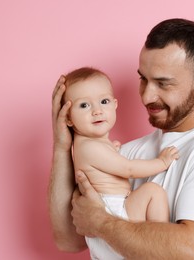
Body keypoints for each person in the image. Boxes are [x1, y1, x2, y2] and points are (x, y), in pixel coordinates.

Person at [49, 18, 194, 259]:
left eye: (163, 83)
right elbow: (69, 239)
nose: (147, 95)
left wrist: (101, 222)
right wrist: (62, 147)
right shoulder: (125, 152)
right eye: (143, 79)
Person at [60, 66, 179, 259]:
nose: (97, 111)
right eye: (84, 105)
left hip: (109, 211)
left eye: (104, 101)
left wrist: (111, 149)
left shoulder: (92, 145)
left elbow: (103, 164)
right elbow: (128, 169)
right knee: (153, 191)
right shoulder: (90, 147)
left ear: (115, 105)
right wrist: (161, 162)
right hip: (111, 211)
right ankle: (161, 240)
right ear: (68, 118)